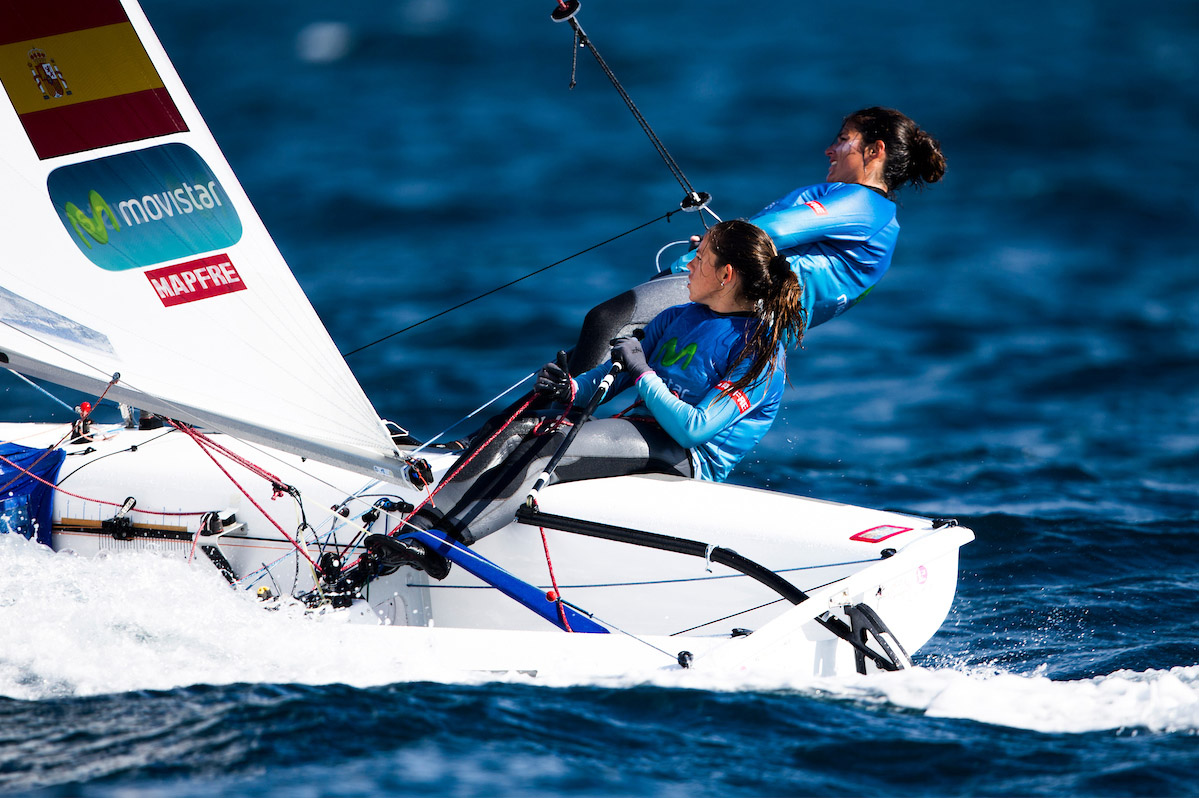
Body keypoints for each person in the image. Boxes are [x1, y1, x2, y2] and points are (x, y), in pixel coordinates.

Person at [365, 219, 805, 580]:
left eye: (701, 258)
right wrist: (570, 388)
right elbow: (613, 375)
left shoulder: (759, 352)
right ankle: (415, 529)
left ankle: (438, 546)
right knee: (523, 428)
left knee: (549, 446)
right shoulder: (678, 317)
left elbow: (693, 428)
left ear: (726, 275)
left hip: (686, 456)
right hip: (642, 431)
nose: (688, 263)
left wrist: (643, 372)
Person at [568, 106, 946, 373]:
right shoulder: (879, 223)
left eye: (844, 140)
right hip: (741, 330)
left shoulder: (865, 204)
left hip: (723, 296)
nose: (830, 149)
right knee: (609, 363)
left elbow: (773, 232)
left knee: (607, 322)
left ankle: (553, 426)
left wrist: (704, 253)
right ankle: (553, 423)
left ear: (875, 151)